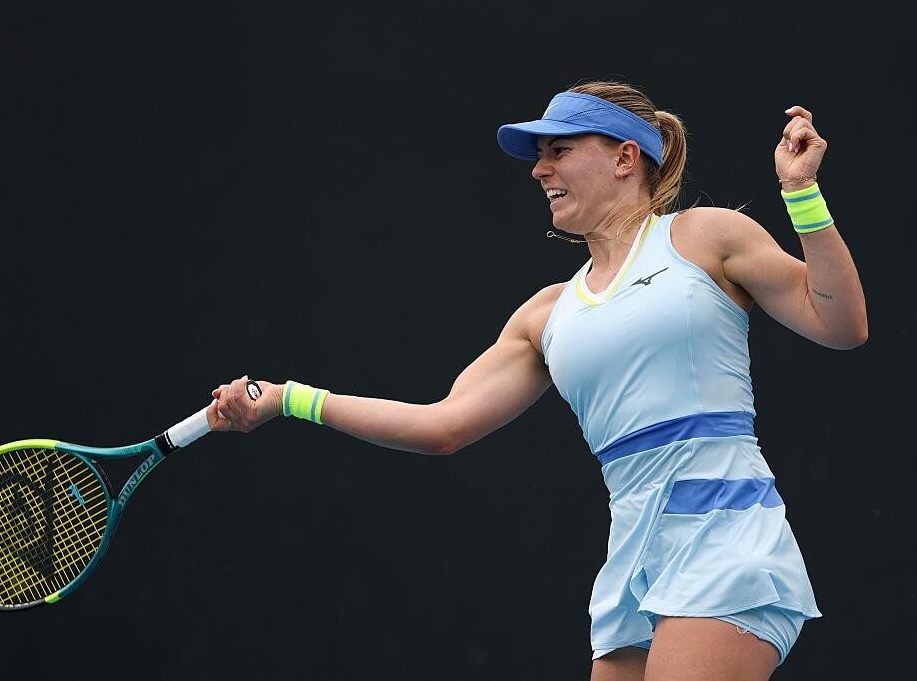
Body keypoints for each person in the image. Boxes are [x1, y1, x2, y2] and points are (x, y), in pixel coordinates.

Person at [207, 80, 868, 680]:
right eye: (539, 155)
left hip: (725, 543)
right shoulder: (546, 316)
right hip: (635, 565)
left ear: (625, 157)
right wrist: (291, 399)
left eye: (559, 150)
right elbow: (441, 425)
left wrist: (801, 194)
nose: (539, 169)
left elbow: (840, 324)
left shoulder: (705, 236)